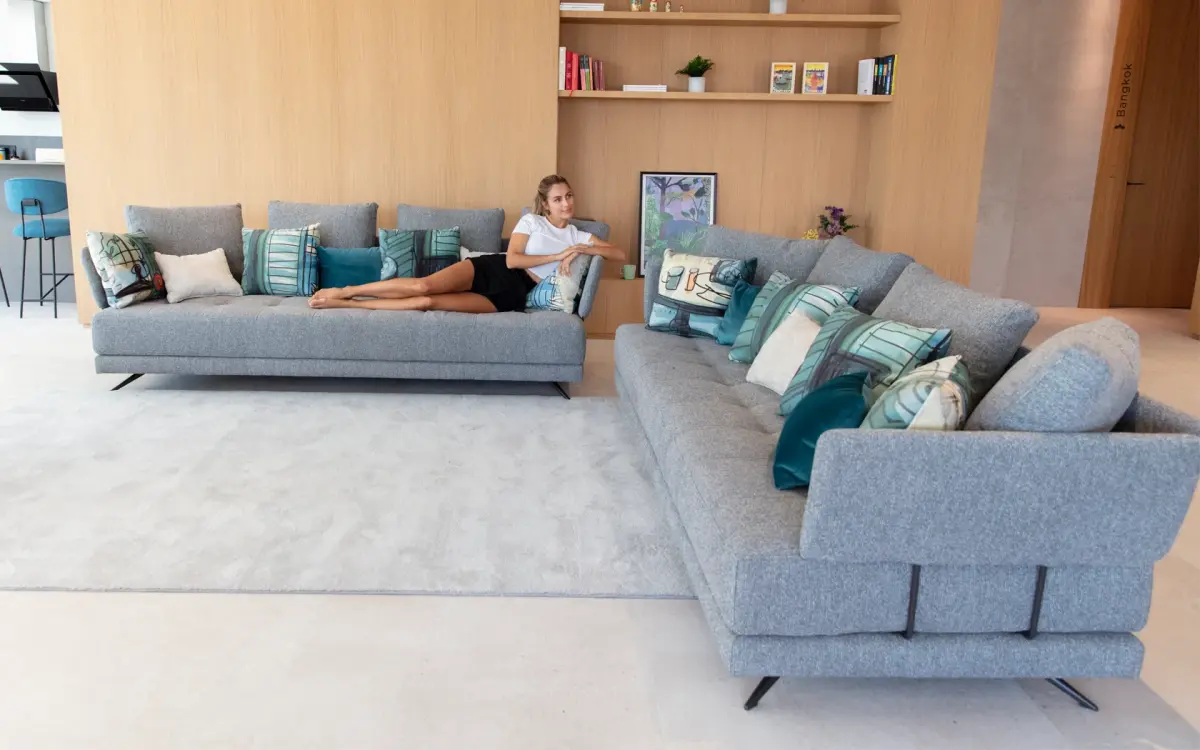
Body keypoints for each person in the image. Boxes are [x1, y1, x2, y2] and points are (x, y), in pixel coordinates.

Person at [309, 175, 624, 313]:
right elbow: (513, 259)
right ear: (545, 204)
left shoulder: (578, 235)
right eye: (558, 199)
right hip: (494, 269)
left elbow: (619, 253)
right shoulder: (532, 222)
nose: (566, 203)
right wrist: (559, 254)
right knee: (422, 287)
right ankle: (346, 291)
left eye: (569, 196)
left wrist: (581, 249)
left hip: (514, 295)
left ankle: (348, 305)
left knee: (425, 303)